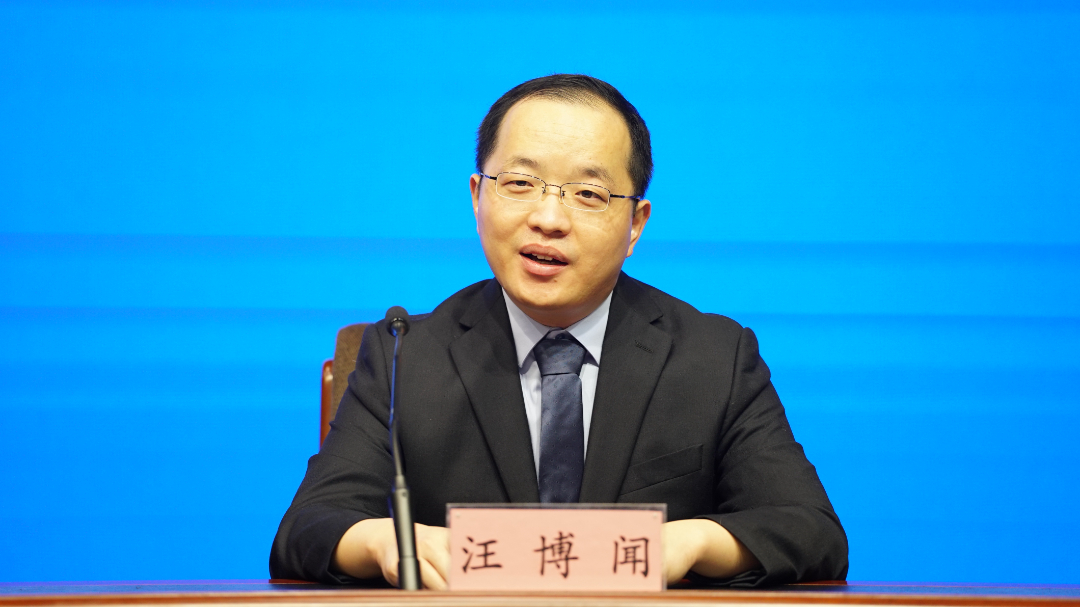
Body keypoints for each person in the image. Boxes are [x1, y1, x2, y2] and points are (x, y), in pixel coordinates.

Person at [270, 74, 848, 588]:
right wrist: (384, 542)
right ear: (477, 196)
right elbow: (307, 530)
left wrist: (689, 541)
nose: (548, 219)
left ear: (635, 223)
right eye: (519, 183)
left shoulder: (712, 357)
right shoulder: (404, 355)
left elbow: (811, 532)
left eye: (588, 194)